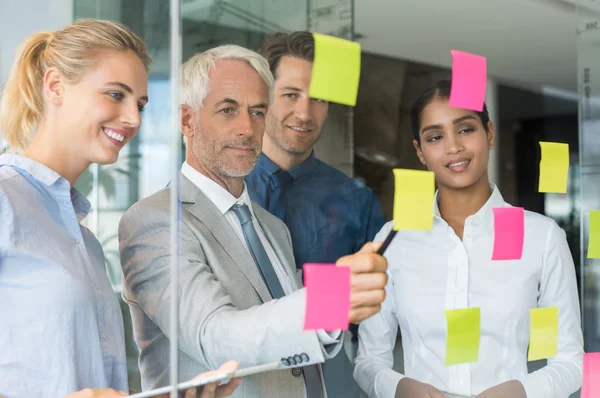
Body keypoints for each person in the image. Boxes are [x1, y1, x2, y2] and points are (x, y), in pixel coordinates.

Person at [118, 44, 388, 397]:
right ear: (187, 120)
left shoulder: (273, 228)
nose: (247, 128)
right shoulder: (154, 220)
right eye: (228, 110)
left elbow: (295, 354)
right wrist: (331, 299)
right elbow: (214, 337)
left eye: (258, 111)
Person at [0, 19, 239, 398]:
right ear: (56, 86)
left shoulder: (85, 242)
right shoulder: (5, 201)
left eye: (140, 104)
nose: (134, 119)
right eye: (116, 95)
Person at [353, 80, 583, 398]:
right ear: (420, 150)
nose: (453, 147)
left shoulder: (541, 237)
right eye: (435, 137)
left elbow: (569, 363)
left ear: (488, 133)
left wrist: (519, 391)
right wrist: (400, 387)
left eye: (465, 129)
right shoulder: (396, 239)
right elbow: (368, 361)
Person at [245, 31, 385, 397]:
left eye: (319, 98)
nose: (305, 113)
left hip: (329, 382)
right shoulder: (223, 190)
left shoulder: (357, 202)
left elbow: (372, 321)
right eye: (291, 94)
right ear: (263, 96)